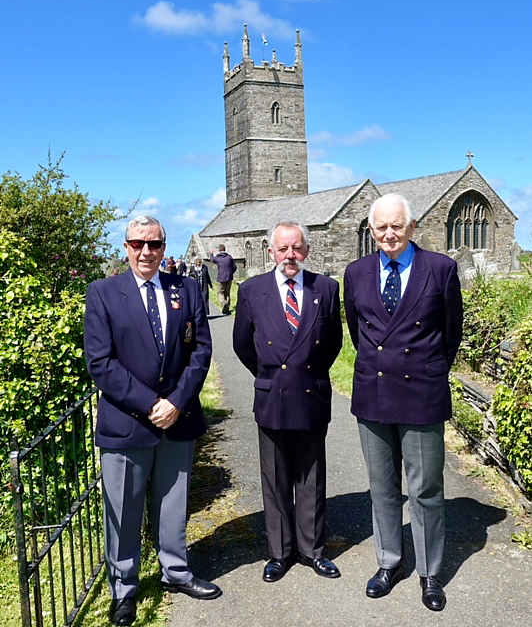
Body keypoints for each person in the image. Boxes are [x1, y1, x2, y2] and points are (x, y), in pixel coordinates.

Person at [84, 216, 221, 626]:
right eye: (139, 243)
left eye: (155, 243)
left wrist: (177, 401)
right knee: (123, 509)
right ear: (126, 246)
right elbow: (100, 362)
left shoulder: (188, 288)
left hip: (178, 417)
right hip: (127, 420)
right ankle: (124, 589)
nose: (147, 252)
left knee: (173, 502)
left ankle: (176, 572)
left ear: (164, 246)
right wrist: (150, 404)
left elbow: (201, 351)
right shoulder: (104, 293)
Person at [343, 193, 463, 612]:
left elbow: (451, 334)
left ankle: (430, 571)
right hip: (373, 392)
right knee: (382, 487)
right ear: (372, 231)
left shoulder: (441, 269)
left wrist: (430, 370)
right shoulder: (355, 272)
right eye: (381, 228)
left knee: (426, 488)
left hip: (422, 394)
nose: (389, 234)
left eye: (397, 226)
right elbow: (358, 332)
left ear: (412, 227)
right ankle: (389, 562)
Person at [233, 221, 343, 583]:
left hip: (311, 394)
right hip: (272, 396)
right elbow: (242, 346)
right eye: (283, 249)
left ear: (306, 251)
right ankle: (279, 553)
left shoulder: (325, 289)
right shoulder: (251, 291)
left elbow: (332, 344)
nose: (290, 255)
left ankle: (313, 550)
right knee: (276, 478)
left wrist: (304, 373)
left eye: (296, 248)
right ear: (271, 252)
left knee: (311, 477)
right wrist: (271, 376)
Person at [210, 244, 237, 315]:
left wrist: (211, 254)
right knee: (227, 293)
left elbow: (212, 260)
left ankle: (223, 303)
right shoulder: (229, 257)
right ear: (225, 249)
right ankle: (227, 309)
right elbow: (234, 267)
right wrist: (230, 273)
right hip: (229, 277)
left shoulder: (218, 258)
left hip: (221, 278)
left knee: (220, 292)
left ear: (219, 250)